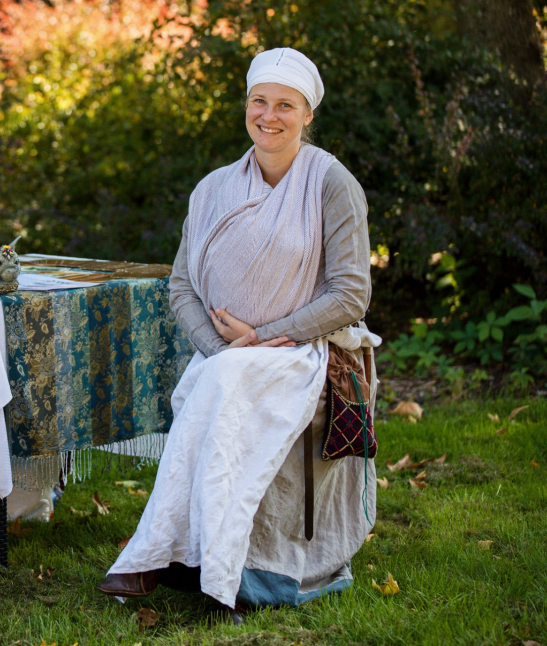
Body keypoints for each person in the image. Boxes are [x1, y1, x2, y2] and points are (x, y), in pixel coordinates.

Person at [98, 48, 379, 617]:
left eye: (285, 105)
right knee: (223, 379)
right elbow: (182, 286)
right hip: (226, 355)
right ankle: (201, 562)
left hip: (305, 352)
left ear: (307, 115)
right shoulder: (213, 189)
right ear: (245, 105)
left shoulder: (331, 183)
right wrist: (222, 347)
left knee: (222, 384)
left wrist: (266, 335)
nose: (269, 115)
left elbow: (351, 294)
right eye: (259, 101)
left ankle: (158, 555)